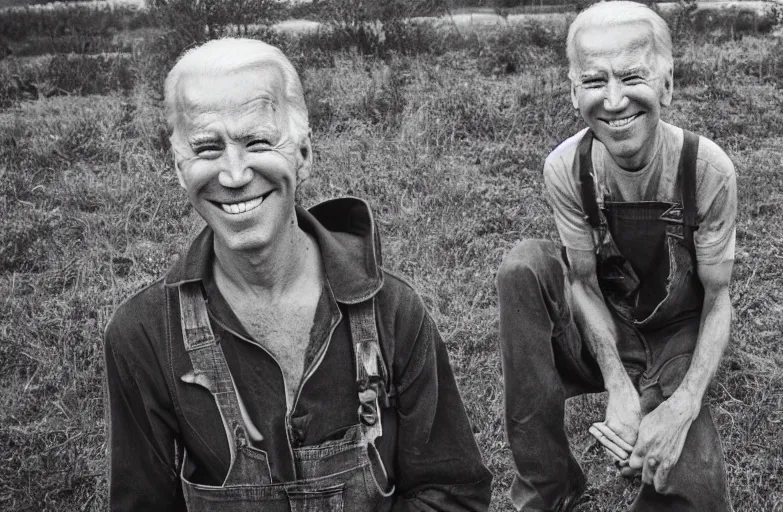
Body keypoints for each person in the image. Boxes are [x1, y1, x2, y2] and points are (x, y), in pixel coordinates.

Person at [103, 38, 492, 511]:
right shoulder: (144, 333)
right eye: (207, 148)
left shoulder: (393, 311)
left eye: (258, 142)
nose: (232, 174)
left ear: (303, 155)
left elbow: (453, 494)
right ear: (180, 168)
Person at [496, 2, 737, 511]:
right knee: (524, 267)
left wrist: (679, 407)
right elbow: (582, 284)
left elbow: (717, 300)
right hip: (604, 318)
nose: (613, 99)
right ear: (572, 90)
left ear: (667, 84)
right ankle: (549, 486)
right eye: (593, 80)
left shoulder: (708, 169)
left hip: (678, 336)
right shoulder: (566, 167)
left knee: (693, 492)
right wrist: (618, 385)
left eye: (631, 76)